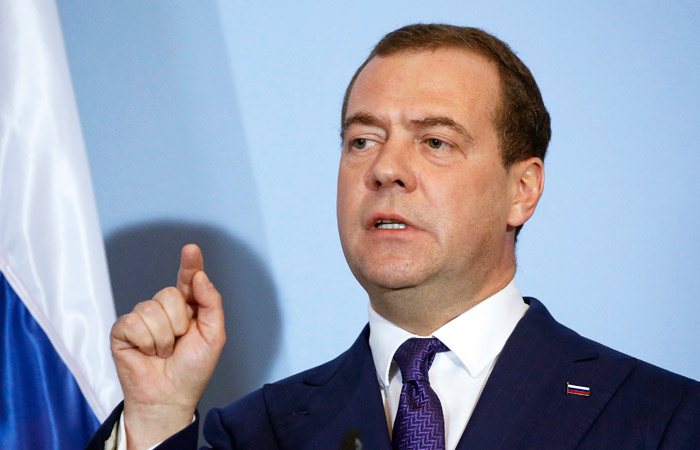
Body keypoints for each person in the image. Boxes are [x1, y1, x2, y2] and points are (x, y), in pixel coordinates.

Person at [87, 24, 700, 450]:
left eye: (435, 141)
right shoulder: (256, 433)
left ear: (522, 189)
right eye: (362, 140)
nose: (385, 168)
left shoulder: (665, 418)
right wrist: (157, 418)